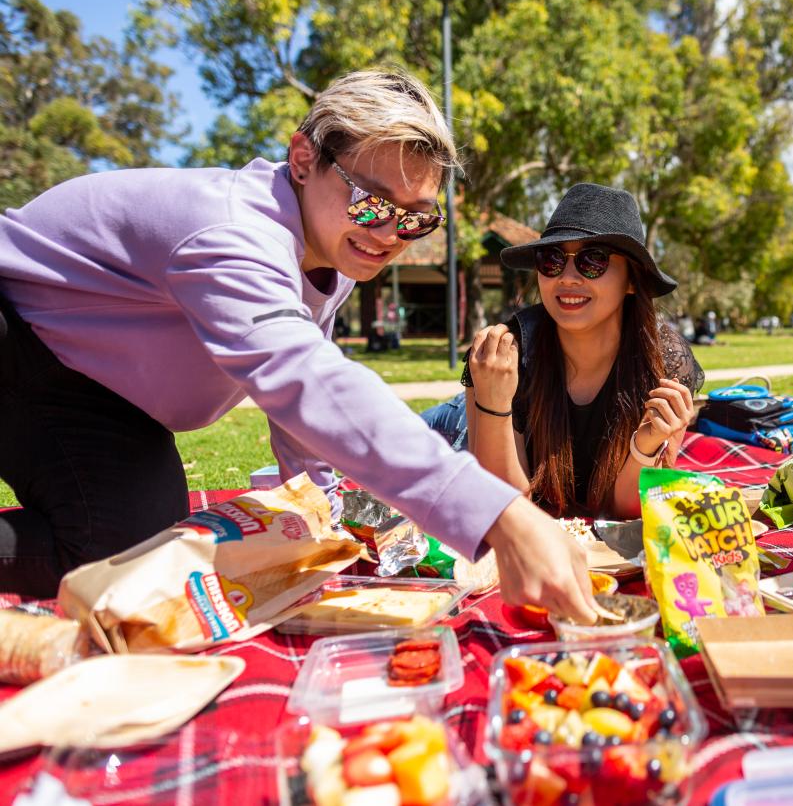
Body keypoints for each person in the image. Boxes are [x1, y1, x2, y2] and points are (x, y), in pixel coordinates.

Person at [0, 67, 598, 623]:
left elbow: (303, 405)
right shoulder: (234, 235)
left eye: (416, 219)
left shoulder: (325, 247)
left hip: (95, 388)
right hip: (18, 336)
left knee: (151, 540)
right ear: (304, 157)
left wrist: (323, 509)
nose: (389, 234)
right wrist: (498, 515)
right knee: (112, 548)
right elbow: (301, 375)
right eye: (371, 202)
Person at [422, 183, 705, 519]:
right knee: (397, 446)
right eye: (552, 259)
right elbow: (506, 508)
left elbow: (627, 512)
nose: (567, 277)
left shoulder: (665, 361)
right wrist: (495, 402)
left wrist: (644, 446)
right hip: (464, 422)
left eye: (593, 260)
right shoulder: (503, 355)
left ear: (632, 280)